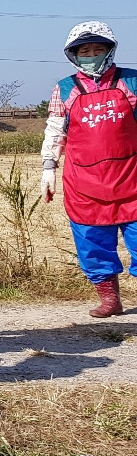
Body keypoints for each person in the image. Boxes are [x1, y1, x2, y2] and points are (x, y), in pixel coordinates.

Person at [39, 21, 132, 318]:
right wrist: (48, 168)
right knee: (93, 245)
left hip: (131, 177)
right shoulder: (65, 88)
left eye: (98, 49)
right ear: (74, 55)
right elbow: (55, 131)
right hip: (85, 183)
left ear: (109, 49)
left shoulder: (130, 81)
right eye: (85, 50)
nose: (91, 54)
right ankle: (109, 299)